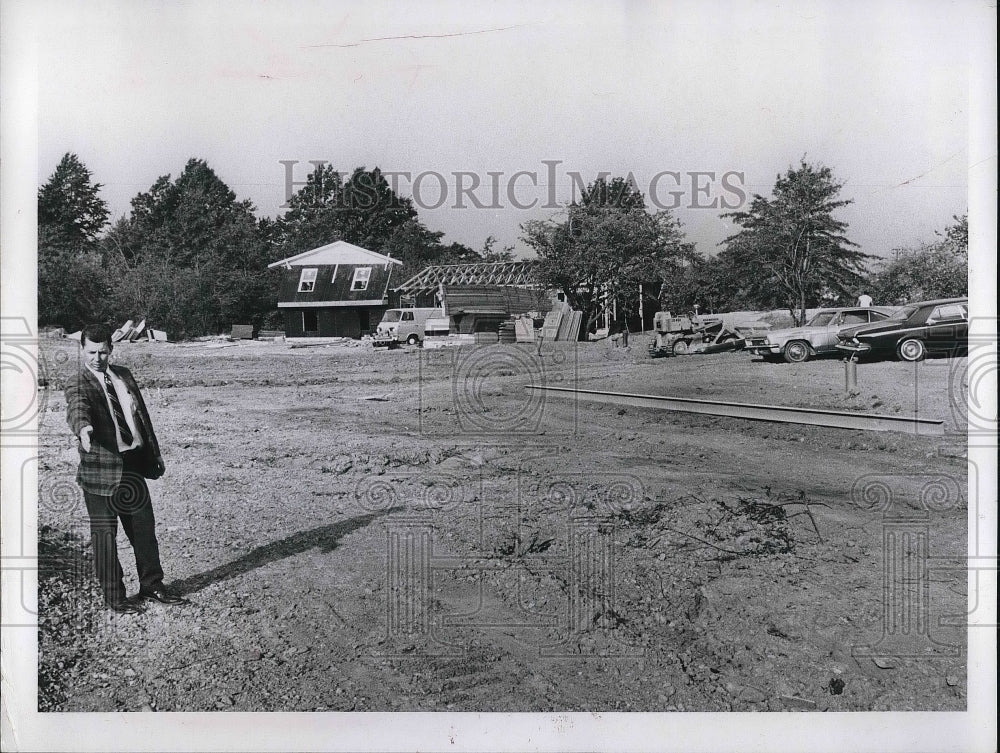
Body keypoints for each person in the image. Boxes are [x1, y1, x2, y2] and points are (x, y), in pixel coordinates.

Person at [65, 324, 184, 613]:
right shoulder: (77, 382)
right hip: (100, 470)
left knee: (144, 530)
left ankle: (152, 585)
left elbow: (141, 417)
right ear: (83, 349)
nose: (97, 358)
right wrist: (84, 429)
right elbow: (76, 408)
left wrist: (152, 454)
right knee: (105, 537)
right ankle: (115, 597)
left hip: (131, 465)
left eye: (103, 352)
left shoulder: (124, 375)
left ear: (111, 349)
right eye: (91, 352)